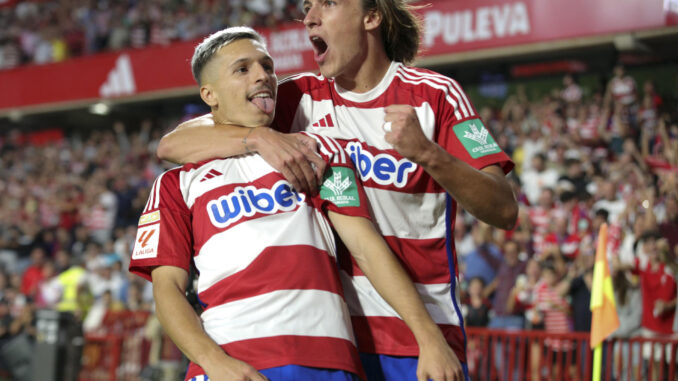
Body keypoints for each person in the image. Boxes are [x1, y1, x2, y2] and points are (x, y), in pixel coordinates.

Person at [155, 1, 518, 379]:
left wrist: (429, 154)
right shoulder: (294, 98)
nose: (309, 17)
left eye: (327, 3)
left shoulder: (435, 95)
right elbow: (174, 144)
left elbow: (504, 209)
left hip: (419, 337)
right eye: (307, 6)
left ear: (371, 16)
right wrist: (259, 137)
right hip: (334, 341)